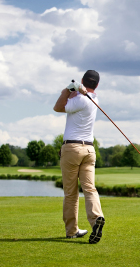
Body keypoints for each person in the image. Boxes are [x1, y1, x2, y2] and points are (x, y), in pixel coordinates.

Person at [53, 70, 105, 244]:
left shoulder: (80, 99)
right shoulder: (94, 100)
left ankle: (72, 231)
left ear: (82, 80)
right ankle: (97, 217)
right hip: (89, 150)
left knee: (70, 193)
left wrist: (68, 88)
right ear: (97, 85)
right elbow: (77, 97)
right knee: (90, 189)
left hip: (72, 148)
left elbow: (58, 107)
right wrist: (77, 90)